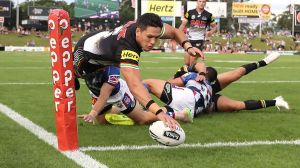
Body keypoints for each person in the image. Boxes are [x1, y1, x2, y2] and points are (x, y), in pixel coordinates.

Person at [73, 13, 204, 129]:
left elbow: (175, 32)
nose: (153, 42)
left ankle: (178, 113)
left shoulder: (143, 28)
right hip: (84, 54)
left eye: (156, 37)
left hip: (93, 46)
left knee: (140, 118)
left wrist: (188, 46)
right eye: (149, 37)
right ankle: (121, 108)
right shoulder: (126, 47)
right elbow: (135, 86)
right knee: (74, 77)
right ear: (138, 31)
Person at [170, 52, 289, 115]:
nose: (191, 57)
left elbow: (205, 68)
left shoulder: (195, 66)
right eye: (189, 55)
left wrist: (201, 74)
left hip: (209, 84)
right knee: (236, 106)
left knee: (237, 73)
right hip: (202, 97)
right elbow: (170, 84)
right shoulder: (182, 71)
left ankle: (264, 61)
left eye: (192, 55)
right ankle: (275, 101)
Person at [77, 65, 192, 125]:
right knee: (101, 123)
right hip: (97, 93)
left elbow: (104, 95)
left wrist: (93, 112)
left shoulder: (112, 68)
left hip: (119, 94)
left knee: (142, 120)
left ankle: (179, 114)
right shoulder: (83, 62)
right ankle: (126, 109)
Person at [179, 0, 217, 65]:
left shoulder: (209, 15)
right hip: (189, 40)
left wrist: (210, 32)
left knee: (192, 63)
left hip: (199, 40)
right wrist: (177, 34)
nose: (201, 3)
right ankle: (190, 73)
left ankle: (197, 73)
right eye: (200, 1)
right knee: (187, 63)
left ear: (205, 3)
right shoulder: (190, 12)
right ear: (197, 2)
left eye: (203, 2)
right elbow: (183, 25)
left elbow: (215, 27)